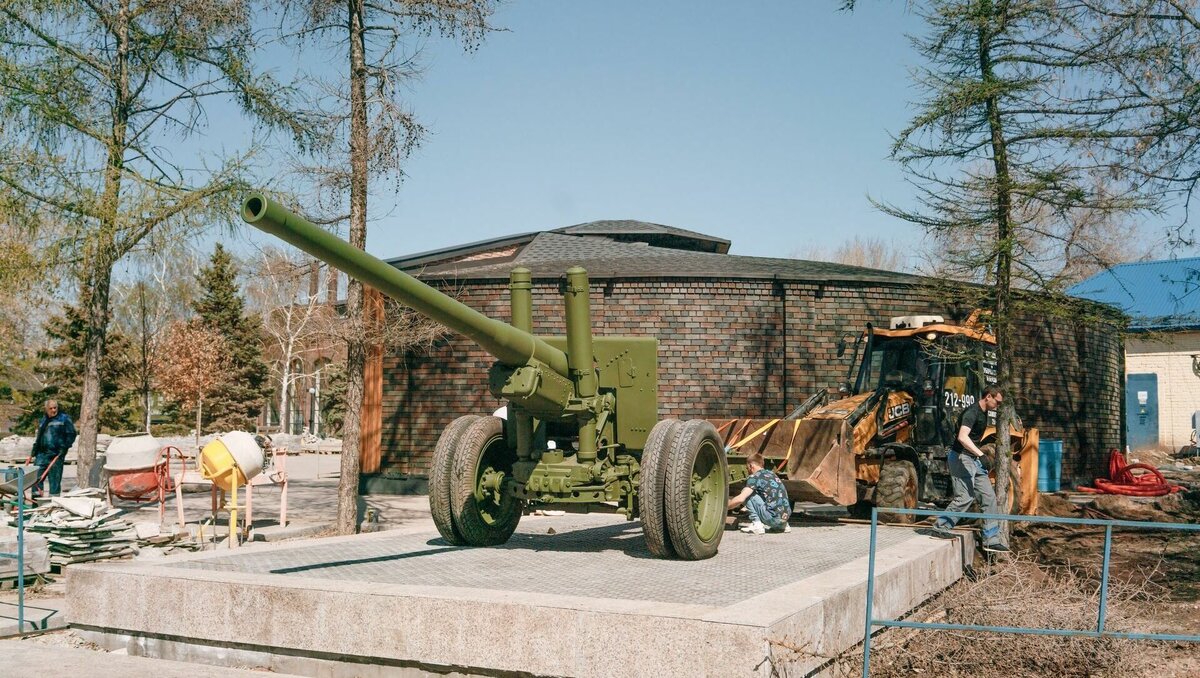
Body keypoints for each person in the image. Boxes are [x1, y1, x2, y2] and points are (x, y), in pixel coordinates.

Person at [930, 385, 1009, 553]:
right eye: (997, 401)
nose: (998, 405)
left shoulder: (984, 412)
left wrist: (978, 457)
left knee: (989, 497)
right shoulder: (972, 412)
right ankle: (940, 526)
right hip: (960, 457)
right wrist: (981, 455)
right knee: (965, 496)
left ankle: (991, 540)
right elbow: (962, 437)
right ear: (988, 397)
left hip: (972, 459)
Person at [727, 453, 791, 535]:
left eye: (747, 468)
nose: (748, 471)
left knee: (747, 493)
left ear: (751, 466)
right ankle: (783, 526)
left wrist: (726, 507)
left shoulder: (754, 477)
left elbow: (741, 499)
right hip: (785, 517)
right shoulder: (772, 474)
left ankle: (757, 525)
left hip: (772, 518)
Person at [26, 399, 77, 498]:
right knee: (36, 480)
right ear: (46, 409)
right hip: (42, 454)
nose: (53, 410)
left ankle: (53, 505)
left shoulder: (64, 419)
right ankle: (36, 504)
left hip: (56, 454)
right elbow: (39, 436)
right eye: (51, 408)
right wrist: (34, 450)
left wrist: (65, 447)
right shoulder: (43, 420)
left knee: (54, 481)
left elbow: (71, 434)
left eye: (55, 408)